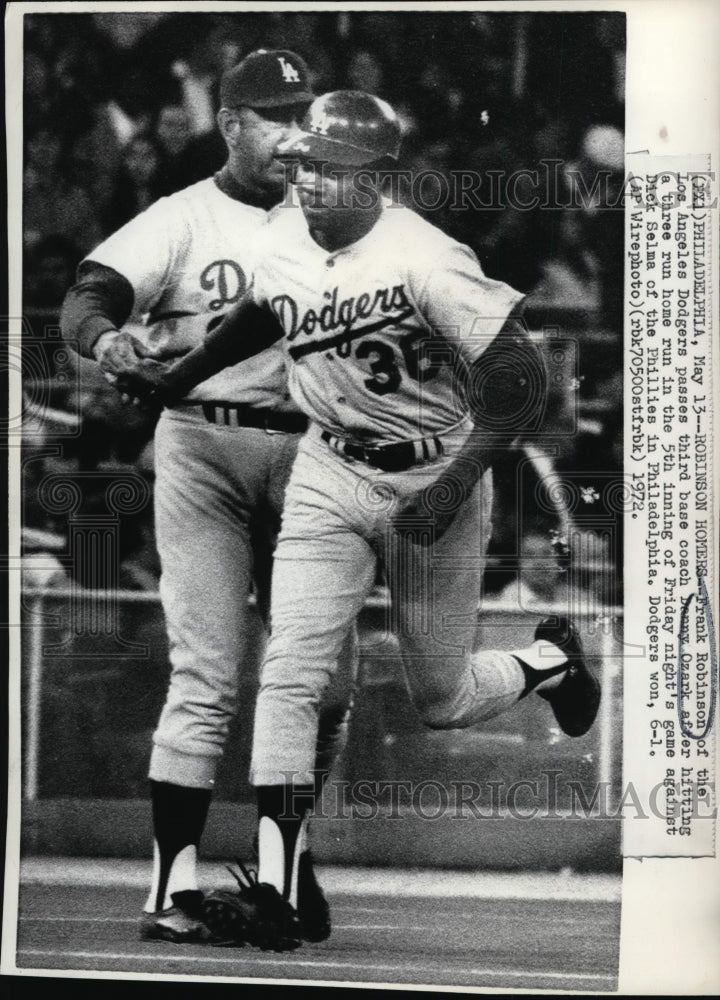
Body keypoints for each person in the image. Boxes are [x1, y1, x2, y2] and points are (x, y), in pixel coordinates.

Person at [119, 90, 602, 952]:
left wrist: (452, 490)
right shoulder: (281, 236)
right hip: (331, 468)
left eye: (331, 168)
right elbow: (264, 310)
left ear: (378, 178)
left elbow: (521, 378)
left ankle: (551, 661)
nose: (309, 179)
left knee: (442, 698)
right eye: (303, 161)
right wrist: (177, 377)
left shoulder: (424, 257)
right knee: (290, 674)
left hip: (434, 471)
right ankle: (274, 888)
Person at [60, 51, 356, 947]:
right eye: (275, 116)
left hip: (314, 452)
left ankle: (283, 856)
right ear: (231, 124)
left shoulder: (342, 220)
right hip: (204, 445)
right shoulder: (183, 216)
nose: (295, 132)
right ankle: (171, 888)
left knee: (325, 683)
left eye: (305, 113)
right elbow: (89, 294)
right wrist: (108, 342)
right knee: (207, 674)